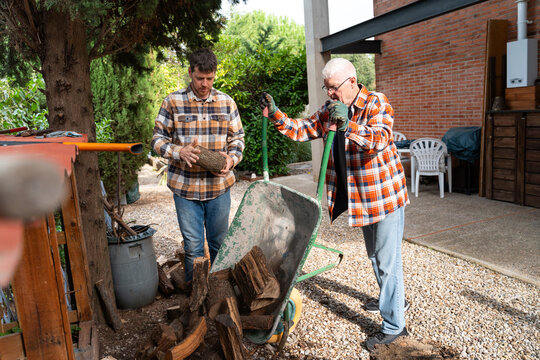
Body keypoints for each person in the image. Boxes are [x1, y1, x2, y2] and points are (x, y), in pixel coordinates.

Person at [259, 58, 409, 351]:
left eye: (333, 88)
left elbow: (381, 138)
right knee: (377, 256)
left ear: (352, 82)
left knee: (388, 260)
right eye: (326, 88)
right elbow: (302, 129)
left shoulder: (377, 102)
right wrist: (277, 115)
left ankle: (395, 327)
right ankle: (394, 300)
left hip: (385, 196)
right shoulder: (330, 109)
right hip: (362, 199)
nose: (329, 94)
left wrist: (348, 124)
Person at [152, 48, 244, 281]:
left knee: (219, 243)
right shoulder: (173, 101)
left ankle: (221, 295)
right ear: (190, 72)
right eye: (200, 78)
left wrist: (231, 160)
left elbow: (238, 139)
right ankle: (196, 299)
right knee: (193, 247)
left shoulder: (227, 102)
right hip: (185, 188)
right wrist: (178, 151)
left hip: (218, 187)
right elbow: (157, 140)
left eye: (209, 79)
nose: (205, 84)